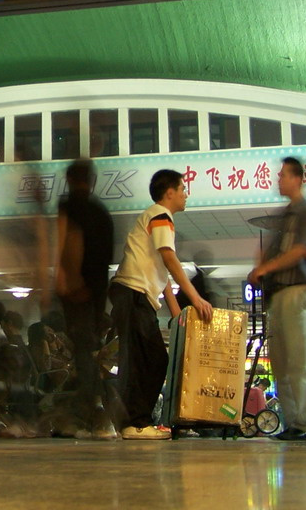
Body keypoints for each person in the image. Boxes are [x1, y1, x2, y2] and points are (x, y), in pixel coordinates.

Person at [110, 169, 213, 440]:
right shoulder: (160, 215)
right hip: (132, 294)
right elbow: (168, 258)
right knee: (148, 361)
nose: (186, 195)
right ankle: (135, 423)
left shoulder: (156, 217)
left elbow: (161, 270)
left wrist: (176, 310)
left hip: (133, 295)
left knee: (149, 360)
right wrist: (195, 297)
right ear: (169, 193)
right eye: (183, 189)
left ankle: (135, 422)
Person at [247, 157, 306, 441]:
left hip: (302, 291)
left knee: (302, 359)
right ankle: (295, 421)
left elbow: (302, 251)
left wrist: (264, 268)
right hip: (281, 295)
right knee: (282, 362)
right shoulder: (286, 216)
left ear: (298, 179)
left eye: (283, 175)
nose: (278, 179)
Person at [55, 159, 115, 438]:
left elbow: (70, 240)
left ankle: (89, 415)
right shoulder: (101, 212)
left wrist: (67, 279)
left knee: (82, 355)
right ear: (91, 180)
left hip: (77, 290)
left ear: (69, 179)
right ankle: (98, 412)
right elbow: (106, 259)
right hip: (97, 292)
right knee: (89, 352)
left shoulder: (70, 206)